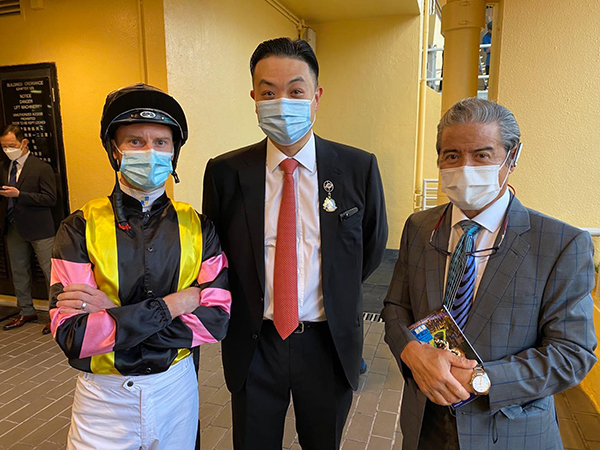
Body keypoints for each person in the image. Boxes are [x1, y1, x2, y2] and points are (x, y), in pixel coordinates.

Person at [203, 38, 388, 449]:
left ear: (316, 97)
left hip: (327, 342)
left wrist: (335, 288)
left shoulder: (357, 167)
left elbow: (372, 245)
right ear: (254, 99)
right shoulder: (225, 172)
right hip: (255, 341)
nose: (282, 102)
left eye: (296, 91)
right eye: (269, 92)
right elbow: (215, 255)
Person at [382, 97, 597, 449]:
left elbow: (572, 354)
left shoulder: (560, 244)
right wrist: (411, 351)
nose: (465, 168)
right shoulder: (419, 228)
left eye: (482, 155)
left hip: (509, 431)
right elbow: (395, 307)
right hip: (425, 424)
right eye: (452, 155)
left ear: (512, 158)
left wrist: (481, 380)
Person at [49, 83, 231, 449]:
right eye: (135, 141)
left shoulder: (199, 226)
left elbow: (216, 320)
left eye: (161, 142)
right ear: (114, 151)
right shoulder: (79, 226)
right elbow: (74, 335)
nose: (150, 152)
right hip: (104, 399)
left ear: (173, 152)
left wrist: (114, 315)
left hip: (176, 389)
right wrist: (177, 303)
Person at [0, 124, 56, 334]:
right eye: (4, 146)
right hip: (13, 226)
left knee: (51, 273)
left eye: (11, 145)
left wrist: (20, 195)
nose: (8, 150)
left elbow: (50, 199)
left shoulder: (41, 168)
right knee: (18, 271)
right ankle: (26, 310)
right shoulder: (4, 167)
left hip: (40, 228)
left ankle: (56, 314)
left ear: (24, 143)